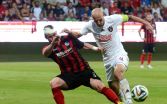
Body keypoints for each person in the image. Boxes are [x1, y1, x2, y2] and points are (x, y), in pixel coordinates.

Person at [62, 8, 154, 104]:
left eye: (100, 19)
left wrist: (146, 23)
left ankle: (129, 100)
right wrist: (70, 33)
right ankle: (122, 100)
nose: (98, 22)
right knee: (113, 86)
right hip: (107, 59)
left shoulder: (113, 19)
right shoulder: (90, 25)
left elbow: (130, 17)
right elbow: (79, 34)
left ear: (103, 16)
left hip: (119, 54)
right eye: (96, 20)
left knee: (117, 72)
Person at [42, 25, 123, 104]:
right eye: (49, 37)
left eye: (53, 35)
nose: (52, 37)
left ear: (56, 33)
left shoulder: (68, 38)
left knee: (99, 86)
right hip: (69, 76)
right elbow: (45, 53)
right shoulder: (49, 49)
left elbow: (83, 44)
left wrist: (96, 48)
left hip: (84, 71)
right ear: (46, 38)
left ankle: (118, 102)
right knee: (54, 83)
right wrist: (53, 44)